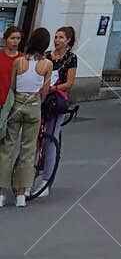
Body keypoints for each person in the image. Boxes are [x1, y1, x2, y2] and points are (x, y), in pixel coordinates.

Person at [0, 27, 51, 208]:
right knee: (28, 151)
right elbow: (45, 89)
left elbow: (13, 85)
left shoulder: (19, 61)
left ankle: (1, 193)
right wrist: (38, 100)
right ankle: (21, 194)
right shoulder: (47, 64)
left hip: (17, 104)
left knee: (7, 148)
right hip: (34, 105)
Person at [36, 26, 77, 191]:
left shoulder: (71, 58)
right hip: (42, 97)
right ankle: (33, 171)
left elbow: (70, 82)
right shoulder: (46, 56)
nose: (57, 40)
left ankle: (46, 181)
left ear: (68, 40)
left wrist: (54, 87)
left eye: (61, 37)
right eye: (56, 36)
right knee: (37, 138)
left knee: (50, 140)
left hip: (57, 98)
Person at [0, 25, 22, 139]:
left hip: (13, 102)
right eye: (12, 38)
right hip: (1, 98)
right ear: (5, 40)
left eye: (18, 38)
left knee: (8, 137)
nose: (15, 41)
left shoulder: (23, 59)